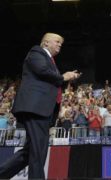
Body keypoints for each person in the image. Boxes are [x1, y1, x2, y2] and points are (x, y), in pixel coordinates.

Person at [0, 32, 81, 179]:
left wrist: (66, 78)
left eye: (61, 43)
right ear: (45, 43)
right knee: (39, 150)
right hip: (35, 108)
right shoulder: (36, 52)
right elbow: (42, 71)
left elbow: (50, 80)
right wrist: (63, 76)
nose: (59, 45)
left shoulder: (50, 60)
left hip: (43, 110)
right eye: (57, 42)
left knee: (31, 151)